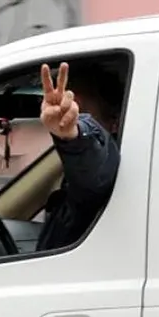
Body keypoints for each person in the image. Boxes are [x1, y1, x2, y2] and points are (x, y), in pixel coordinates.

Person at [35, 61, 122, 251]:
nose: (68, 115)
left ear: (114, 122)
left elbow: (94, 172)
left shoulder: (106, 168)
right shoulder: (72, 174)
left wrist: (76, 133)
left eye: (79, 111)